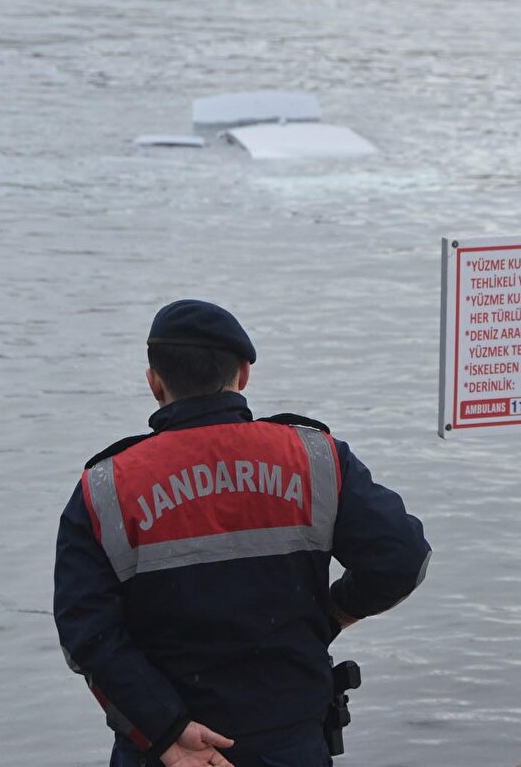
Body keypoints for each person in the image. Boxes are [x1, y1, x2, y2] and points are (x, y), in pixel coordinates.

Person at [54, 299, 432, 767]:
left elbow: (85, 636)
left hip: (167, 750)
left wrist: (166, 729)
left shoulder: (106, 488)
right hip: (292, 744)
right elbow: (402, 559)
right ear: (244, 374)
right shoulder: (315, 459)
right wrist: (333, 615)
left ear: (154, 383)